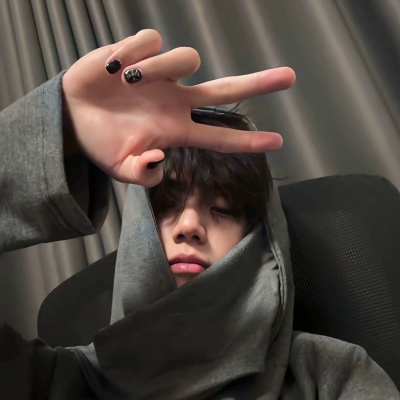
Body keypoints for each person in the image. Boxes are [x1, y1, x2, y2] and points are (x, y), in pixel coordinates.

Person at [0, 29, 398, 399]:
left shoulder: (330, 371)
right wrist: (59, 128)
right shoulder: (66, 380)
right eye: (166, 206)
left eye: (222, 209)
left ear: (258, 236)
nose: (189, 226)